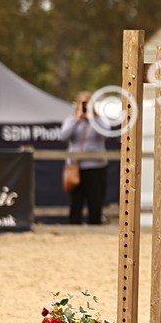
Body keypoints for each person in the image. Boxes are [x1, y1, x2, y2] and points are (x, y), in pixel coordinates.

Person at [60, 91, 109, 224]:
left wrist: (92, 118)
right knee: (76, 202)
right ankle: (74, 228)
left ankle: (95, 226)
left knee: (95, 201)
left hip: (95, 167)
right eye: (83, 103)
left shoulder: (99, 120)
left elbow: (106, 133)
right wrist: (77, 119)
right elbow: (63, 136)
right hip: (75, 167)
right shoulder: (71, 119)